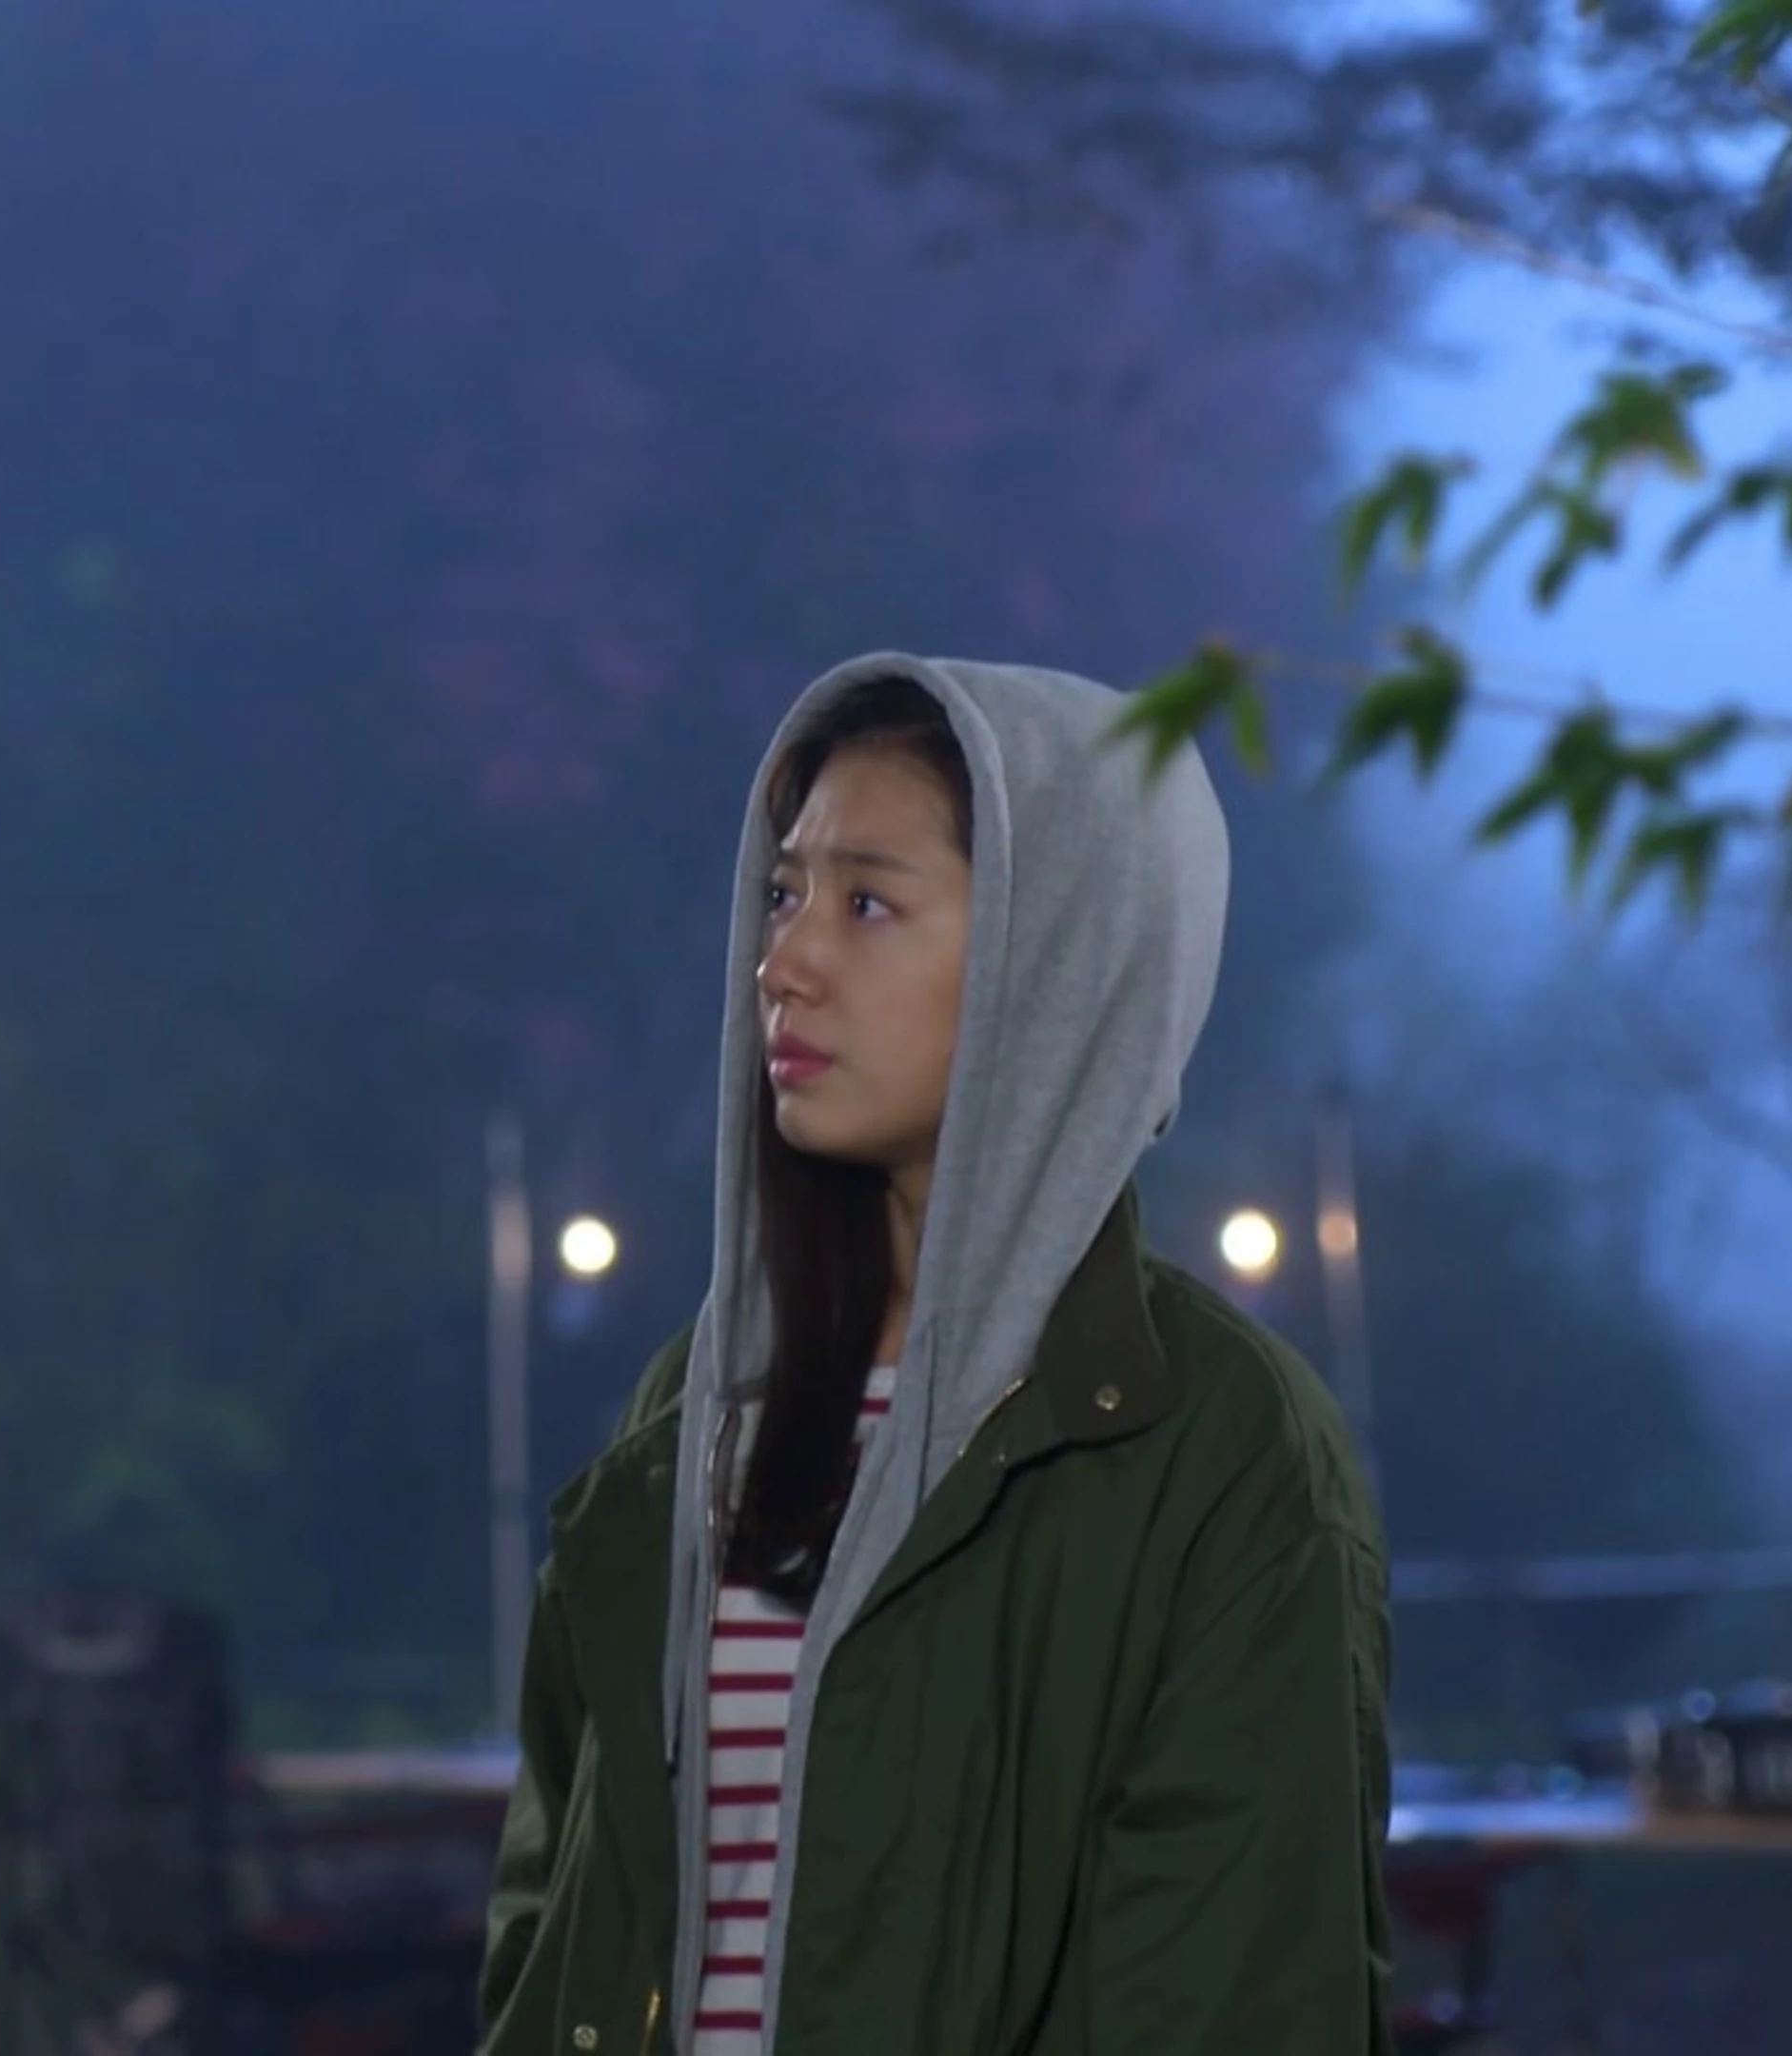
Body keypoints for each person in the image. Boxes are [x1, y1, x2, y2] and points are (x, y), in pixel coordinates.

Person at [478, 655, 1395, 2053]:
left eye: (866, 902)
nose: (783, 963)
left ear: (1056, 955)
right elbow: (559, 1911)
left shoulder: (1217, 1450)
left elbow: (1239, 1999)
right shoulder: (695, 1407)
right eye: (783, 895)